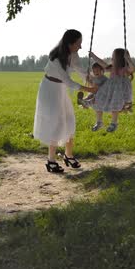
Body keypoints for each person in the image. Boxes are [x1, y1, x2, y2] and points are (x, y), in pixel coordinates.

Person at [33, 29, 97, 173]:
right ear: (70, 43)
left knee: (69, 119)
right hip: (50, 90)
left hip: (60, 89)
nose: (80, 47)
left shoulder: (73, 54)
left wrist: (92, 81)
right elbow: (68, 81)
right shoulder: (55, 59)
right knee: (56, 123)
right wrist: (89, 90)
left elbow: (80, 70)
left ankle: (68, 156)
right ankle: (51, 161)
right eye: (78, 44)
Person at [88, 48, 135, 132]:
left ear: (120, 59)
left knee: (115, 106)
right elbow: (101, 63)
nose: (112, 58)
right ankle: (99, 122)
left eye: (113, 57)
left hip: (119, 92)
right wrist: (93, 56)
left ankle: (114, 123)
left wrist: (128, 58)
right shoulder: (111, 68)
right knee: (98, 101)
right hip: (109, 90)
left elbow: (133, 68)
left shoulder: (126, 69)